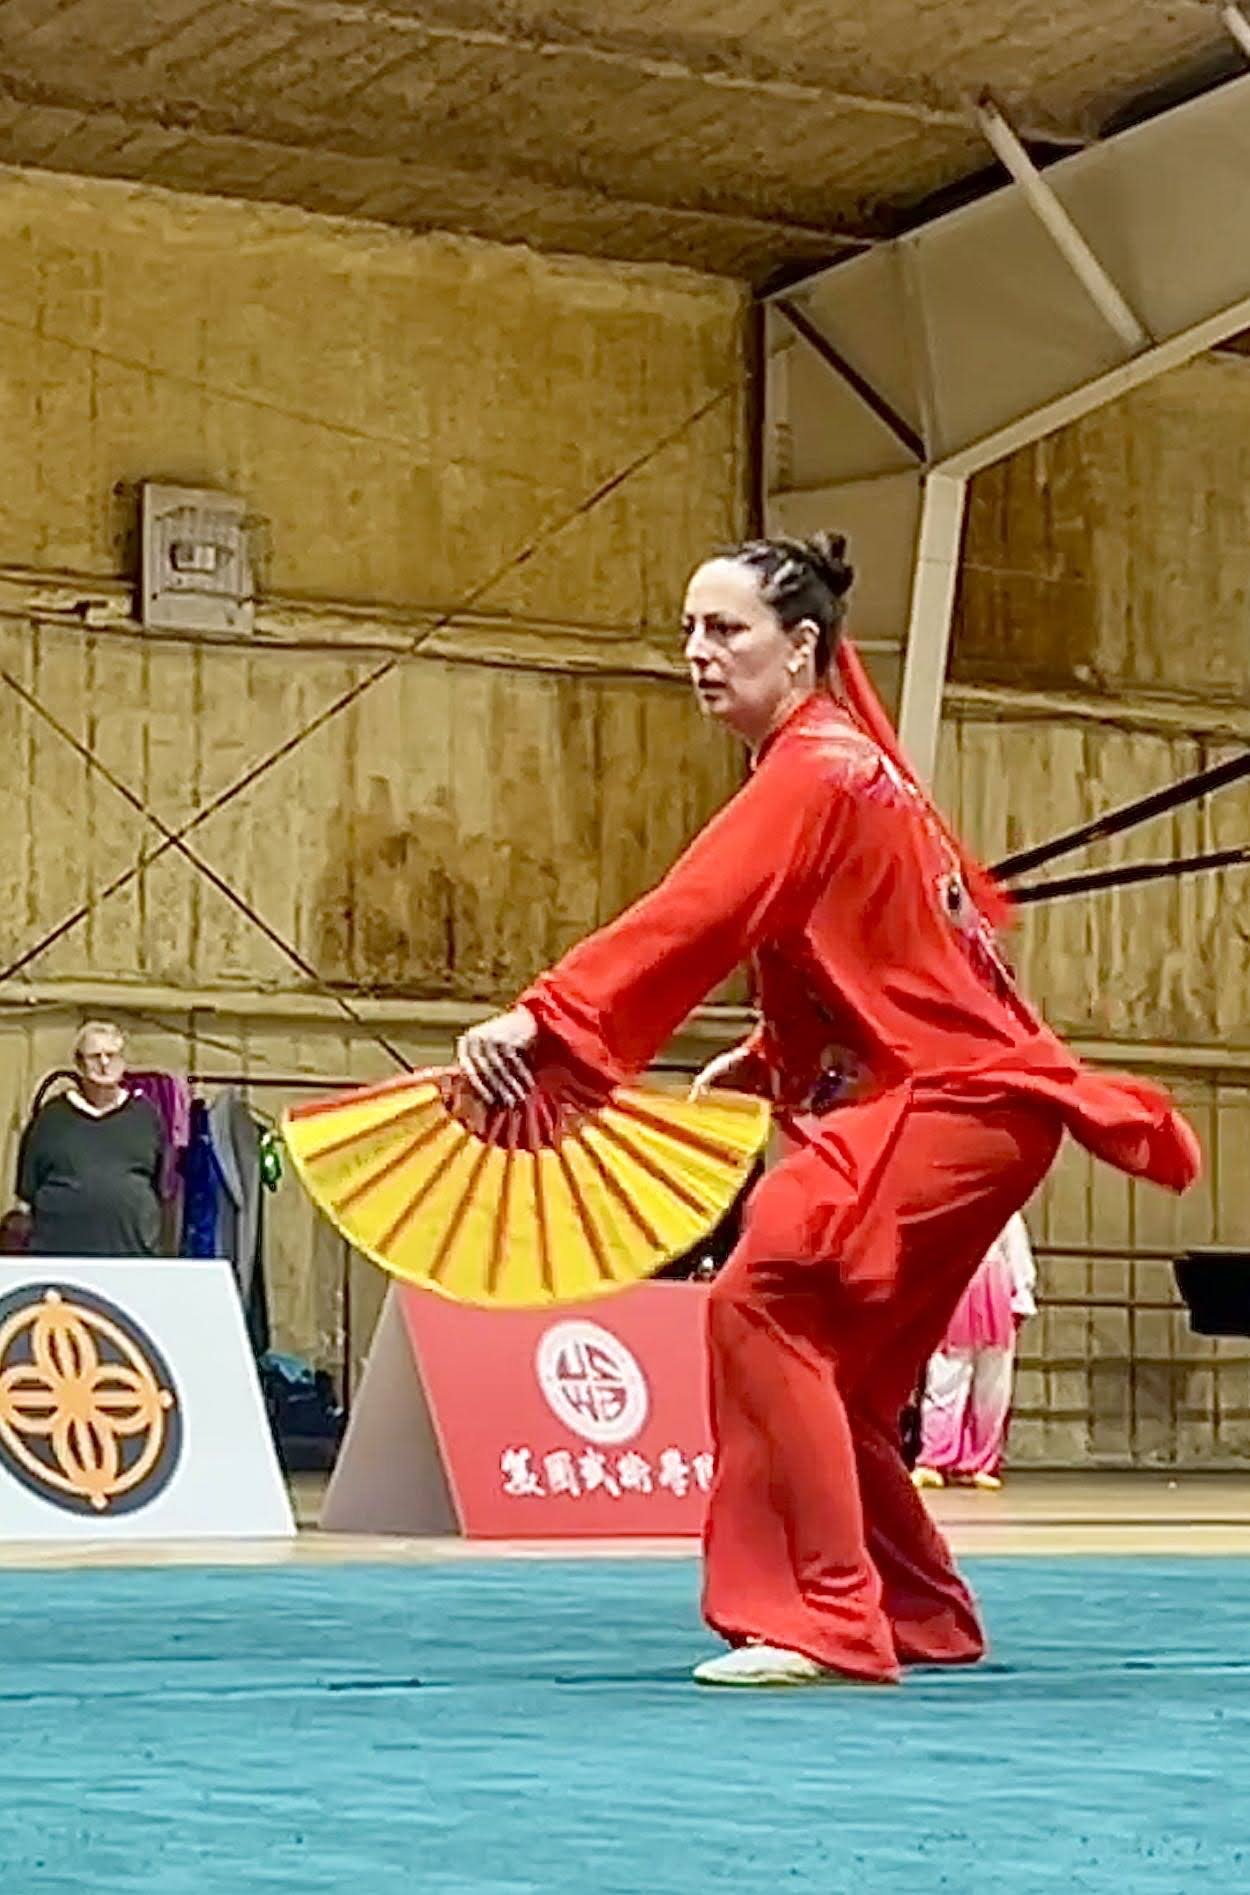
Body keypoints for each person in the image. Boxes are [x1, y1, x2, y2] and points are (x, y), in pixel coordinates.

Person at [456, 532, 1199, 1688]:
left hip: (947, 1102)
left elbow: (698, 908)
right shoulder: (838, 766)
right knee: (836, 1372)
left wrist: (547, 1017)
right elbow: (886, 952)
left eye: (725, 629)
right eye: (689, 629)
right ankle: (917, 1611)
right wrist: (773, 1055)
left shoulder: (814, 767)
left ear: (799, 645)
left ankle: (823, 1617)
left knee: (761, 1307)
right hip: (983, 1106)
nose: (697, 652)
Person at [16, 1021, 164, 1257]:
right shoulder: (50, 1118)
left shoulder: (146, 1116)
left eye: (112, 1055)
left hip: (131, 1254)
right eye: (95, 1056)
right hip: (59, 1255)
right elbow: (28, 1186)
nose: (104, 1064)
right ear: (79, 1063)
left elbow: (161, 1184)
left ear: (123, 1062)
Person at [912, 1211, 1036, 1491]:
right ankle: (933, 1459)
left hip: (994, 1295)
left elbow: (1017, 1255)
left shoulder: (1006, 1212)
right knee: (944, 1379)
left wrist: (1020, 1298)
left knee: (992, 1387)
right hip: (954, 1294)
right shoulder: (948, 1210)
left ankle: (981, 1462)